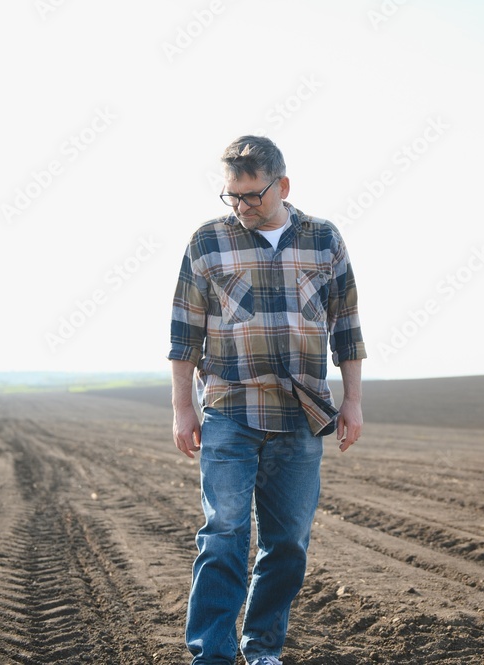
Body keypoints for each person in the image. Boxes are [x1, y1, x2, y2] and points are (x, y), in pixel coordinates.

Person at [168, 135, 367, 665]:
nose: (241, 207)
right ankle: (211, 654)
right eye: (232, 196)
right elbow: (184, 333)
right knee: (223, 535)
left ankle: (262, 650)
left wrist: (352, 400)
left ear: (282, 185)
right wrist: (183, 407)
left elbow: (346, 326)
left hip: (302, 413)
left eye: (252, 196)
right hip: (231, 410)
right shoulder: (208, 242)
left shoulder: (323, 239)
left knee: (288, 545)